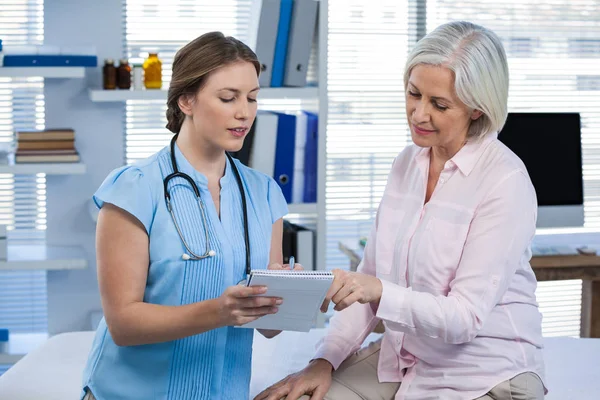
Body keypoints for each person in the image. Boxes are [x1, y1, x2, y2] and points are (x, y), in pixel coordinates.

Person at [256, 21, 546, 400]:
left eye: (439, 105)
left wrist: (378, 291)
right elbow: (369, 278)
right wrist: (324, 361)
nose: (419, 114)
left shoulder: (505, 182)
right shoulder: (407, 164)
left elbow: (464, 319)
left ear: (477, 108)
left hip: (487, 372)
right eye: (413, 94)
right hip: (409, 361)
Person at [80, 32, 298, 400]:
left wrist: (291, 299)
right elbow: (123, 324)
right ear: (186, 100)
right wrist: (220, 311)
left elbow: (269, 328)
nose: (244, 112)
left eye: (252, 98)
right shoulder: (134, 189)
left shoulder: (264, 194)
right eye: (228, 98)